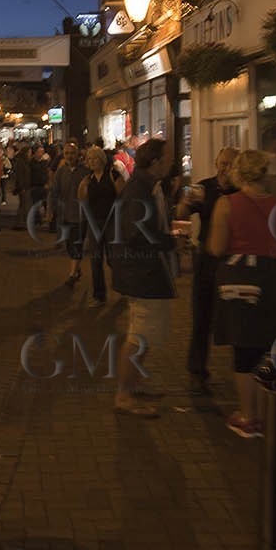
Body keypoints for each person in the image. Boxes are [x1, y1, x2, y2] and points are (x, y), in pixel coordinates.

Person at [208, 149, 276, 439]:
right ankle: (262, 409)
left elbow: (216, 247)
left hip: (238, 278)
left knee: (243, 347)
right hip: (270, 277)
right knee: (263, 341)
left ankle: (248, 415)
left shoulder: (227, 204)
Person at [106, 138, 178, 418]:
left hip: (145, 272)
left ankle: (133, 385)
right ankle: (124, 394)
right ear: (155, 162)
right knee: (138, 335)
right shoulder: (139, 190)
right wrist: (170, 242)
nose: (172, 162)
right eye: (168, 157)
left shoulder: (147, 187)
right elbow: (136, 234)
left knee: (144, 334)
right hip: (142, 274)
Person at [178, 147, 238, 391]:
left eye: (230, 164)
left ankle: (243, 370)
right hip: (205, 258)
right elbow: (183, 212)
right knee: (201, 314)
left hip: (233, 259)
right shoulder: (204, 187)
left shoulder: (242, 190)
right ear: (216, 163)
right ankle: (197, 370)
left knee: (235, 317)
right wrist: (180, 230)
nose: (225, 168)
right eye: (222, 163)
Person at [76, 146, 122, 308]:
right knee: (95, 260)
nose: (92, 162)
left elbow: (121, 197)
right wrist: (82, 187)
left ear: (102, 160)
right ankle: (99, 295)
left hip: (111, 222)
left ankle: (122, 286)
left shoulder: (113, 175)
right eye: (89, 159)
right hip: (94, 222)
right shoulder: (88, 179)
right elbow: (81, 198)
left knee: (113, 259)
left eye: (95, 159)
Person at [52, 143, 87, 286]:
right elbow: (54, 191)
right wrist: (51, 210)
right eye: (66, 153)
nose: (69, 156)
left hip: (81, 215)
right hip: (65, 214)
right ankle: (77, 269)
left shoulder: (85, 171)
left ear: (78, 154)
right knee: (69, 245)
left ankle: (72, 274)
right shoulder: (61, 172)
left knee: (77, 244)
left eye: (72, 153)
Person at [27, 145, 50, 231]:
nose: (41, 153)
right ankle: (37, 221)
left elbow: (47, 173)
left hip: (44, 186)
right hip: (35, 186)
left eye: (42, 152)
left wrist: (47, 182)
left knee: (46, 204)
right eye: (39, 151)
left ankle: (46, 221)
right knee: (35, 205)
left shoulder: (44, 162)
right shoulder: (31, 163)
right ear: (35, 152)